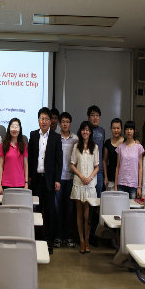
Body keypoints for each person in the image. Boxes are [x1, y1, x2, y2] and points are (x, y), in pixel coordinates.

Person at [28, 107, 63, 254]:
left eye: (46, 119)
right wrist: (29, 176)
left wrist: (57, 179)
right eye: (41, 118)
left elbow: (58, 160)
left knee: (49, 212)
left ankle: (48, 242)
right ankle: (34, 240)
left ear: (51, 121)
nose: (44, 121)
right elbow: (30, 158)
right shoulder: (33, 135)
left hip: (49, 180)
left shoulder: (55, 137)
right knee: (35, 211)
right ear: (38, 120)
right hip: (36, 179)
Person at [70, 121, 99, 254]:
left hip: (90, 184)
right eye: (83, 130)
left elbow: (97, 166)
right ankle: (81, 240)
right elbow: (72, 165)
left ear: (90, 132)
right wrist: (81, 176)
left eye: (88, 130)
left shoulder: (95, 147)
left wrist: (90, 177)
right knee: (79, 214)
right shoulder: (76, 146)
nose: (85, 132)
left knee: (88, 216)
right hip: (79, 182)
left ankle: (87, 239)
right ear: (80, 131)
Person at [54, 112, 78, 248]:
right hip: (58, 179)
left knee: (69, 210)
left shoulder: (75, 139)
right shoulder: (56, 138)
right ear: (59, 123)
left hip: (71, 178)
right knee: (57, 209)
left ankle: (68, 236)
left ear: (70, 123)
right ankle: (58, 236)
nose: (64, 124)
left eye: (67, 121)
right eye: (62, 121)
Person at [115, 121, 144, 199]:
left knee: (133, 209)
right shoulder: (120, 147)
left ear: (134, 131)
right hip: (121, 183)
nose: (129, 131)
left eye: (131, 129)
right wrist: (115, 185)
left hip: (133, 185)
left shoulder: (139, 147)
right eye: (127, 129)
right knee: (120, 208)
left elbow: (140, 167)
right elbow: (117, 166)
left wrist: (139, 186)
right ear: (124, 131)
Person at [0, 118, 28, 193]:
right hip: (6, 183)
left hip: (20, 183)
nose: (14, 129)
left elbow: (25, 165)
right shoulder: (3, 145)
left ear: (20, 129)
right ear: (9, 129)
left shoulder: (23, 145)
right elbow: (0, 166)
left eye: (17, 126)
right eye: (12, 126)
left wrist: (26, 183)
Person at [87, 105, 105, 197]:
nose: (95, 118)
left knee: (98, 197)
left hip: (99, 170)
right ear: (88, 117)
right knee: (87, 198)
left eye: (97, 115)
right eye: (92, 115)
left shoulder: (102, 131)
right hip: (87, 170)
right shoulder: (84, 130)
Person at [103, 118, 124, 191]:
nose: (116, 130)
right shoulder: (107, 142)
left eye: (118, 128)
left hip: (123, 178)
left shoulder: (126, 142)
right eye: (114, 128)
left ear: (121, 129)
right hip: (110, 177)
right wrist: (105, 177)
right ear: (111, 129)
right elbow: (105, 161)